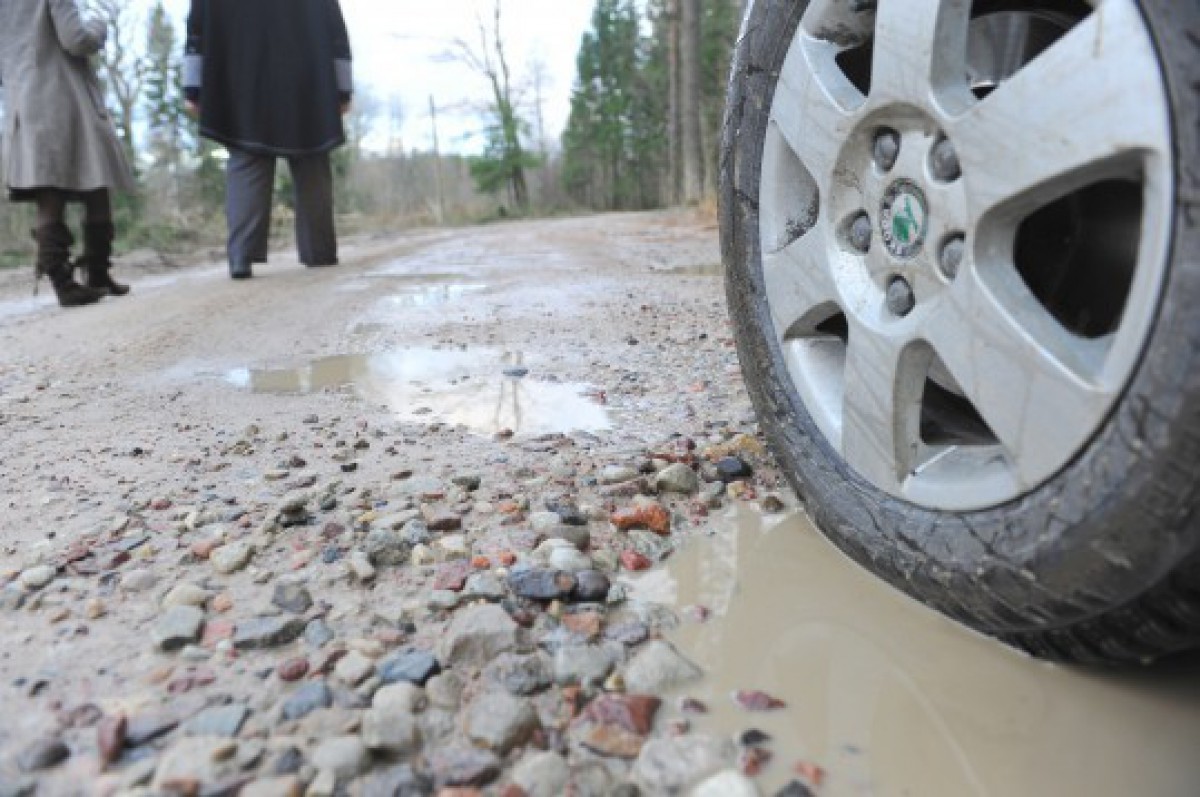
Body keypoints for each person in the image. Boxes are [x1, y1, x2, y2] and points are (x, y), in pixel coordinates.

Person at [184, 0, 353, 280]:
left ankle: (241, 256)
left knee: (247, 157)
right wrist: (343, 87)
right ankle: (319, 251)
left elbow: (197, 26)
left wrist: (193, 86)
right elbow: (334, 27)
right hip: (306, 77)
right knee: (311, 157)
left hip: (241, 78)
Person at [0, 0, 135, 307]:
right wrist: (99, 24)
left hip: (23, 102)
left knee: (49, 195)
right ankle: (91, 275)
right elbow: (77, 40)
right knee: (96, 184)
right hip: (65, 98)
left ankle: (70, 281)